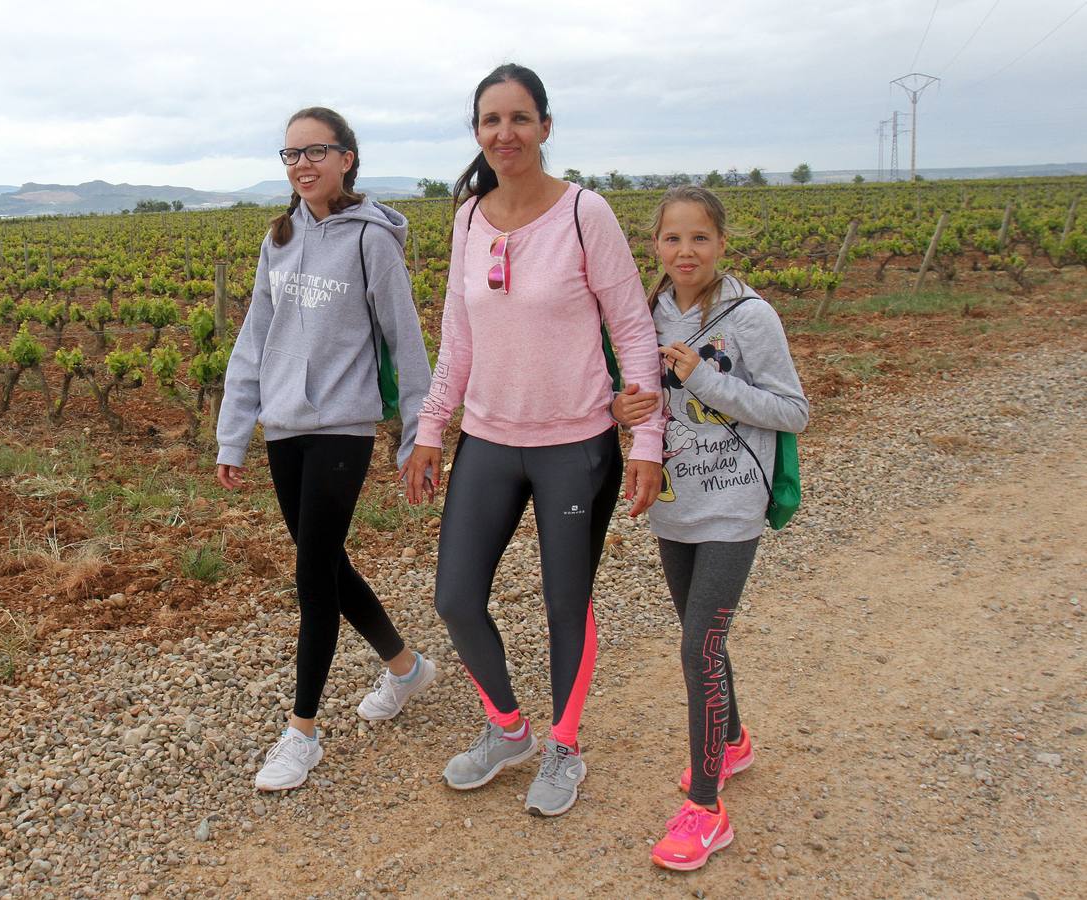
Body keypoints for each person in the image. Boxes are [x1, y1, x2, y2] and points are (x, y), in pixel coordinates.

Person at [401, 64, 664, 818]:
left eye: (519, 118)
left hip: (575, 443)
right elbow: (457, 338)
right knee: (454, 597)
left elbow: (632, 329)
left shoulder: (586, 214)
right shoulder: (468, 219)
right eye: (490, 120)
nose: (504, 134)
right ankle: (508, 729)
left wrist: (647, 441)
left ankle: (565, 745)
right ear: (476, 131)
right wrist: (430, 431)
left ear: (545, 126)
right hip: (487, 437)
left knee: (564, 599)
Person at [217, 107, 436, 792]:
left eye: (316, 151)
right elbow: (254, 340)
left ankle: (302, 732)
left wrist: (418, 435)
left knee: (311, 575)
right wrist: (235, 430)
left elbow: (406, 339)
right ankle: (407, 668)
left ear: (347, 158)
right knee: (328, 566)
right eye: (290, 155)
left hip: (342, 424)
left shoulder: (372, 240)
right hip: (284, 427)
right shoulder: (276, 239)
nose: (302, 164)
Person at [611, 185, 809, 869]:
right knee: (704, 638)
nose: (685, 251)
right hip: (674, 505)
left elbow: (794, 410)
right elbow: (634, 399)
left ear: (722, 243)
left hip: (732, 508)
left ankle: (705, 807)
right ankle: (732, 745)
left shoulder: (750, 317)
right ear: (655, 245)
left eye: (699, 238)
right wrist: (623, 408)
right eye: (672, 238)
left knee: (698, 646)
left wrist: (705, 380)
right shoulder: (647, 313)